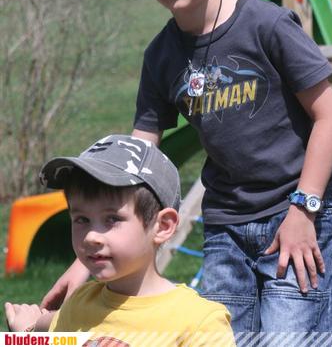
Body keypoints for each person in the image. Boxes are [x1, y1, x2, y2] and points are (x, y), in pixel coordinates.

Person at [41, 0, 332, 338]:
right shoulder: (161, 56)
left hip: (294, 209)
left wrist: (305, 210)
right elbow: (137, 160)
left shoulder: (268, 26)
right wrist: (83, 262)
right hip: (225, 226)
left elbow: (329, 116)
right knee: (220, 337)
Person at [5, 134, 234, 346]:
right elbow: (46, 331)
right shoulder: (77, 306)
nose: (91, 236)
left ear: (162, 226)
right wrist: (26, 332)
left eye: (112, 219)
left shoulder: (199, 324)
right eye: (82, 219)